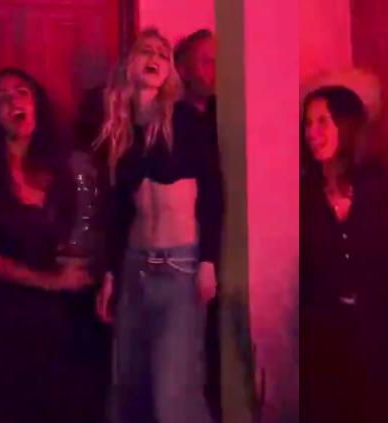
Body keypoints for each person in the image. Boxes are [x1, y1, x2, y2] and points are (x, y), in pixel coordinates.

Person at [94, 27, 222, 423]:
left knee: (174, 395)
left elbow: (213, 190)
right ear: (128, 65)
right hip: (135, 266)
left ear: (170, 70)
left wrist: (208, 261)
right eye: (145, 51)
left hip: (180, 266)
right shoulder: (118, 127)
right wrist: (110, 274)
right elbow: (117, 210)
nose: (154, 58)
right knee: (130, 390)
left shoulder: (185, 119)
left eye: (162, 54)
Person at [0, 68, 95, 423]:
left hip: (62, 315)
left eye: (21, 92)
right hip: (5, 316)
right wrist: (51, 282)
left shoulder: (63, 169)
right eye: (2, 98)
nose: (14, 101)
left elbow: (82, 230)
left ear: (36, 102)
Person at [300, 85, 388, 423]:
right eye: (308, 124)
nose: (312, 133)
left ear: (346, 126)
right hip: (324, 336)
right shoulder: (304, 193)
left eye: (323, 122)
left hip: (377, 331)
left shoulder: (376, 184)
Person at [173, 28, 223, 419]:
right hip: (184, 251)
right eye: (206, 61)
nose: (215, 70)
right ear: (184, 68)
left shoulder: (226, 114)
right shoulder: (175, 121)